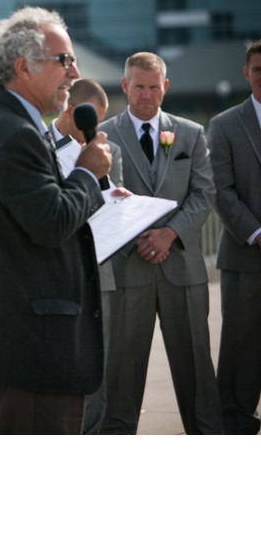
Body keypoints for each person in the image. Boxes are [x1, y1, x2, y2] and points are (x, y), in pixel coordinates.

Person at [0, 6, 112, 434]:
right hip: (29, 349)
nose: (75, 72)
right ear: (23, 67)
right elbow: (52, 222)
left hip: (18, 345)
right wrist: (86, 173)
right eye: (64, 60)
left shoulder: (4, 124)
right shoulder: (12, 133)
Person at [99, 52, 223, 435]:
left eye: (154, 87)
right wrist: (139, 236)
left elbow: (204, 193)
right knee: (119, 372)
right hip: (127, 271)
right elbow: (100, 197)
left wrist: (169, 234)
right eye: (139, 87)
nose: (147, 95)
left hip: (182, 272)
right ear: (125, 86)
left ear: (165, 87)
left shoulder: (190, 133)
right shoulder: (104, 136)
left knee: (197, 370)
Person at [50, 78, 124, 434]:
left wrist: (116, 194)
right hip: (55, 275)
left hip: (97, 267)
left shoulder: (101, 147)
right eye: (90, 119)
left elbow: (105, 193)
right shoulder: (39, 144)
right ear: (70, 111)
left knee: (97, 363)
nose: (96, 129)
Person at [208, 39, 261, 434]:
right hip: (246, 256)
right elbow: (220, 191)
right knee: (242, 348)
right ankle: (234, 423)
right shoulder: (225, 125)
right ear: (247, 74)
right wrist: (256, 233)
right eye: (258, 70)